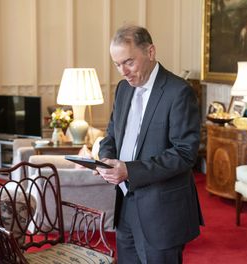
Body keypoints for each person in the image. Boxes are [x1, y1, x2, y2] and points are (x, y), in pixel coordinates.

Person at [96, 25, 204, 263]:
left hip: (162, 209)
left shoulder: (178, 92)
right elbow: (111, 136)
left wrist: (129, 171)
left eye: (129, 62)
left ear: (151, 52)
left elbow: (185, 153)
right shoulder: (123, 89)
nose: (123, 71)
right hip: (125, 204)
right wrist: (105, 159)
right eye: (117, 64)